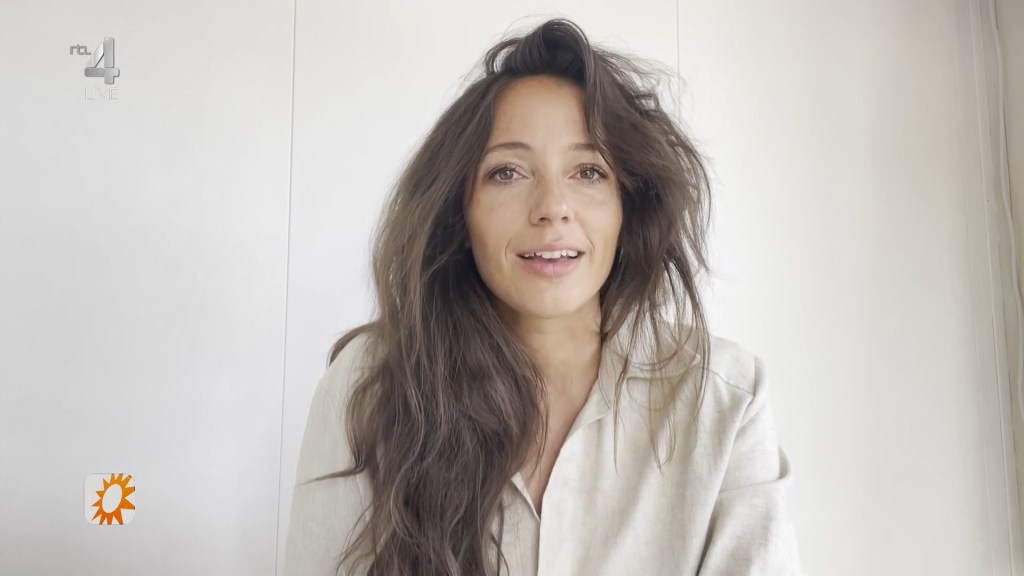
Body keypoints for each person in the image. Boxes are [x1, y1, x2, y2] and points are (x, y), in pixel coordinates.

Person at [284, 17, 805, 576]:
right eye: (507, 172)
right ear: (459, 215)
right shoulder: (369, 385)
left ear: (628, 207)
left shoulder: (725, 400)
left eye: (588, 171)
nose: (552, 207)